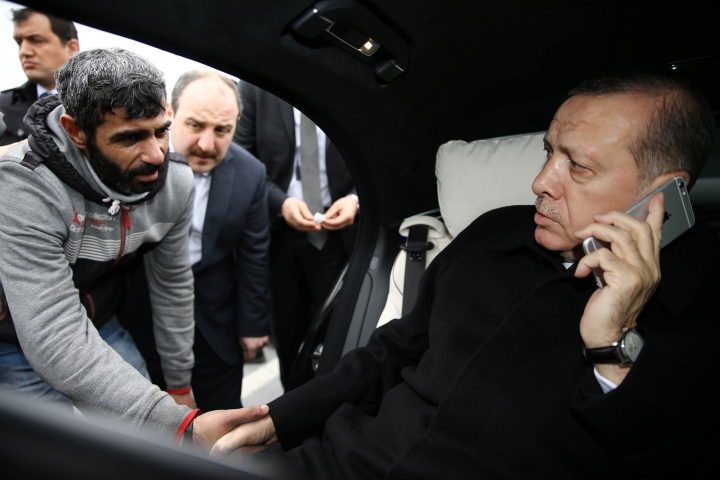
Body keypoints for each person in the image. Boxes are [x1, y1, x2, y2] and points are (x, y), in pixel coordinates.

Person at [211, 73, 718, 477]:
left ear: (661, 194)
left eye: (578, 167)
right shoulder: (496, 232)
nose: (541, 182)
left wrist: (611, 345)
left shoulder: (699, 308)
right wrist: (277, 418)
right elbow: (394, 352)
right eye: (548, 152)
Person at [0, 47, 265, 444]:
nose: (156, 154)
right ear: (76, 131)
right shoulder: (25, 186)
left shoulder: (175, 181)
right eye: (130, 137)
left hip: (102, 321)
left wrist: (177, 388)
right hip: (16, 336)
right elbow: (52, 332)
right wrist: (174, 425)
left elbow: (173, 286)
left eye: (161, 130)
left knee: (143, 446)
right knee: (54, 455)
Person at [123, 70, 272, 411]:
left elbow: (254, 254)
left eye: (222, 131)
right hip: (138, 316)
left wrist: (253, 324)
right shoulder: (131, 158)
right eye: (195, 126)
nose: (207, 144)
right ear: (170, 114)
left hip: (214, 328)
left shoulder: (251, 174)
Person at [234, 82, 359, 387]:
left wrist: (356, 199)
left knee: (342, 329)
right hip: (278, 234)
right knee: (289, 335)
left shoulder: (351, 86)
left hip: (341, 231)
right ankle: (293, 411)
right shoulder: (255, 88)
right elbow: (240, 156)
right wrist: (281, 203)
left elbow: (380, 148)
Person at [0, 8, 79, 146]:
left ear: (71, 48)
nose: (24, 51)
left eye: (36, 40)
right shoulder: (2, 106)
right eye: (19, 42)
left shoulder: (103, 104)